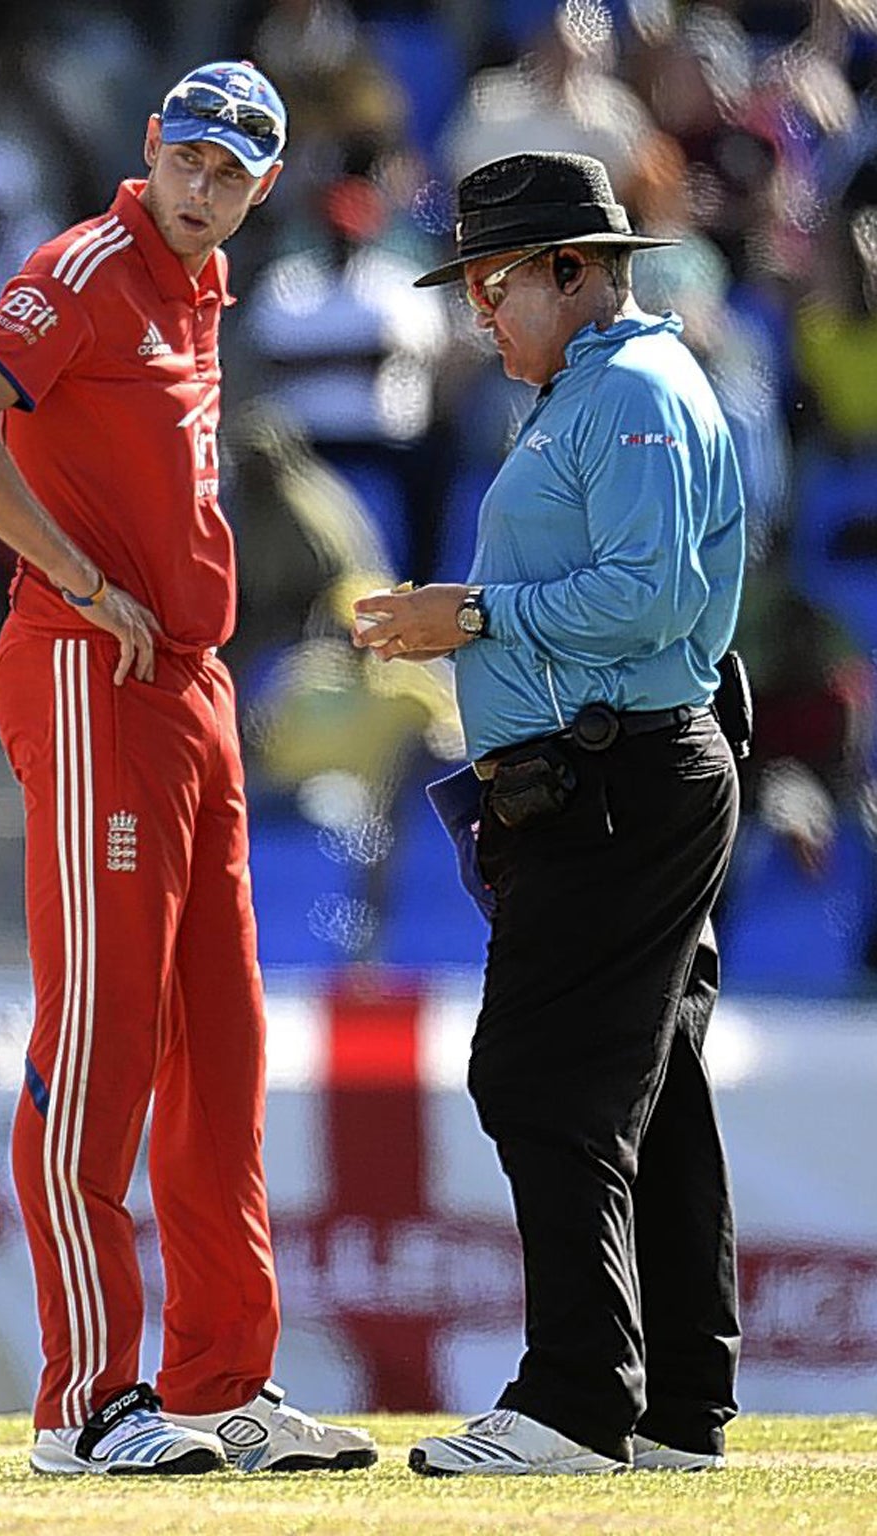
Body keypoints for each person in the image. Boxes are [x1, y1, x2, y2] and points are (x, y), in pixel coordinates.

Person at [0, 59, 376, 1478]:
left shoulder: (202, 281)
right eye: (187, 156)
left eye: (232, 171)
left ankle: (226, 1381)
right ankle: (86, 1404)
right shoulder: (95, 259)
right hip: (89, 666)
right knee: (100, 1038)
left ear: (264, 184)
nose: (202, 186)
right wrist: (71, 574)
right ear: (152, 148)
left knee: (220, 1055)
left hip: (190, 684)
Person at [353, 152, 745, 1477]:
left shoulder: (627, 390)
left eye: (495, 279)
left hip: (615, 778)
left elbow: (642, 597)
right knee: (654, 1082)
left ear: (574, 270)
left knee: (543, 1074)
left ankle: (580, 1398)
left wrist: (467, 613)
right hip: (624, 769)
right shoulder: (604, 384)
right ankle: (678, 1409)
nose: (478, 308)